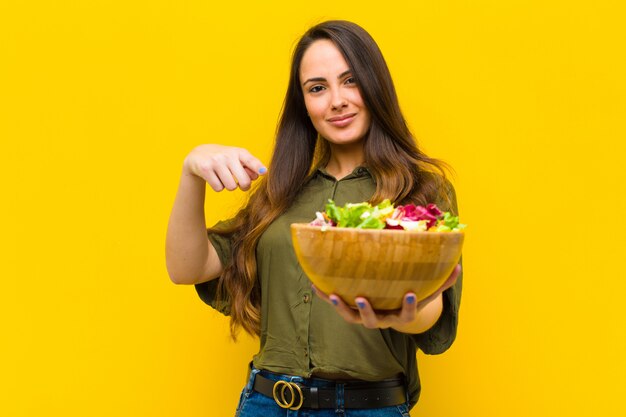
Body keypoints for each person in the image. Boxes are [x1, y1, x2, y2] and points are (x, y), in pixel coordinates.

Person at [166, 20, 463, 416]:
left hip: (369, 407)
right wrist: (191, 172)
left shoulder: (421, 192)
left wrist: (396, 311)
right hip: (266, 403)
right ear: (303, 104)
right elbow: (187, 267)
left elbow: (430, 314)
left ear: (376, 87)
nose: (336, 100)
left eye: (351, 80)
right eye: (318, 88)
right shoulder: (278, 196)